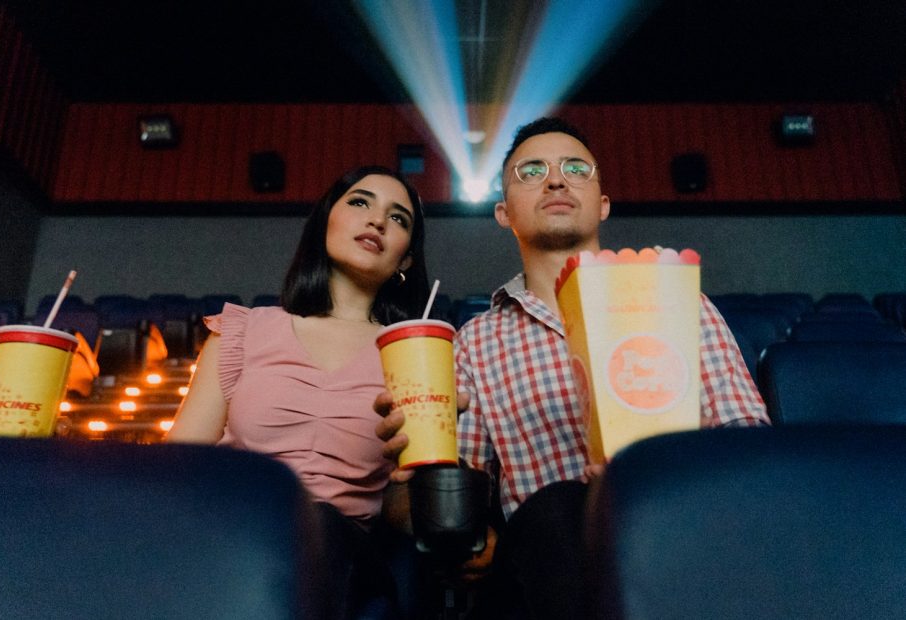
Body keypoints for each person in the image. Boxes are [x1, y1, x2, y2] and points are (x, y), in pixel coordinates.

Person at [376, 117, 770, 618]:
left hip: (687, 527)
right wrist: (410, 474)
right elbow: (456, 501)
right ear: (503, 212)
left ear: (602, 201)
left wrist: (654, 474)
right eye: (532, 171)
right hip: (556, 553)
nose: (556, 179)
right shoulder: (476, 342)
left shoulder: (679, 301)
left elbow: (750, 446)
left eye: (575, 168)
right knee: (559, 506)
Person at [168, 165, 430, 619]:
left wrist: (417, 480)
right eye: (360, 202)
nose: (377, 221)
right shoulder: (243, 331)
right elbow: (178, 467)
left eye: (399, 218)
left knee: (321, 527)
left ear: (405, 259)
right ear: (327, 219)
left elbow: (402, 516)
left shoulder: (413, 355)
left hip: (344, 555)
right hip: (235, 532)